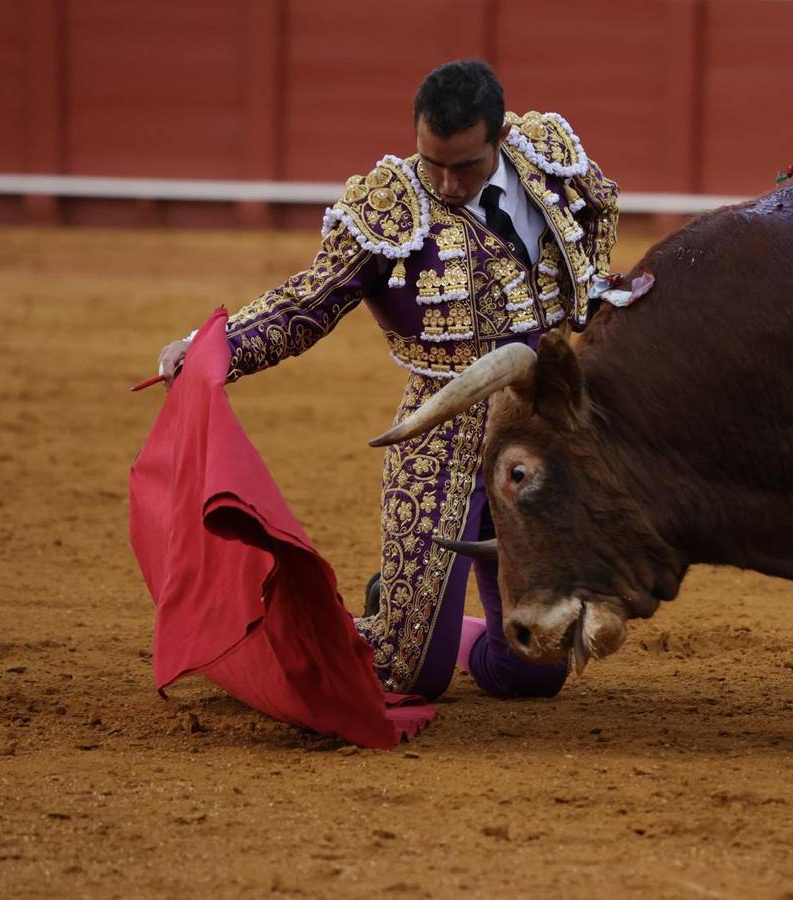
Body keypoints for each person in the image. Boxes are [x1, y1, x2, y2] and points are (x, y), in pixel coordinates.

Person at [155, 59, 619, 700]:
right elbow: (308, 303)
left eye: (466, 166)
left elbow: (599, 217)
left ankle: (454, 628)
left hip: (541, 433)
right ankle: (369, 622)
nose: (448, 184)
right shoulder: (391, 207)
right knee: (409, 669)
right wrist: (215, 348)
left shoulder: (546, 161)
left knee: (531, 667)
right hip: (442, 429)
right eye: (433, 163)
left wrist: (594, 300)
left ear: (500, 138)